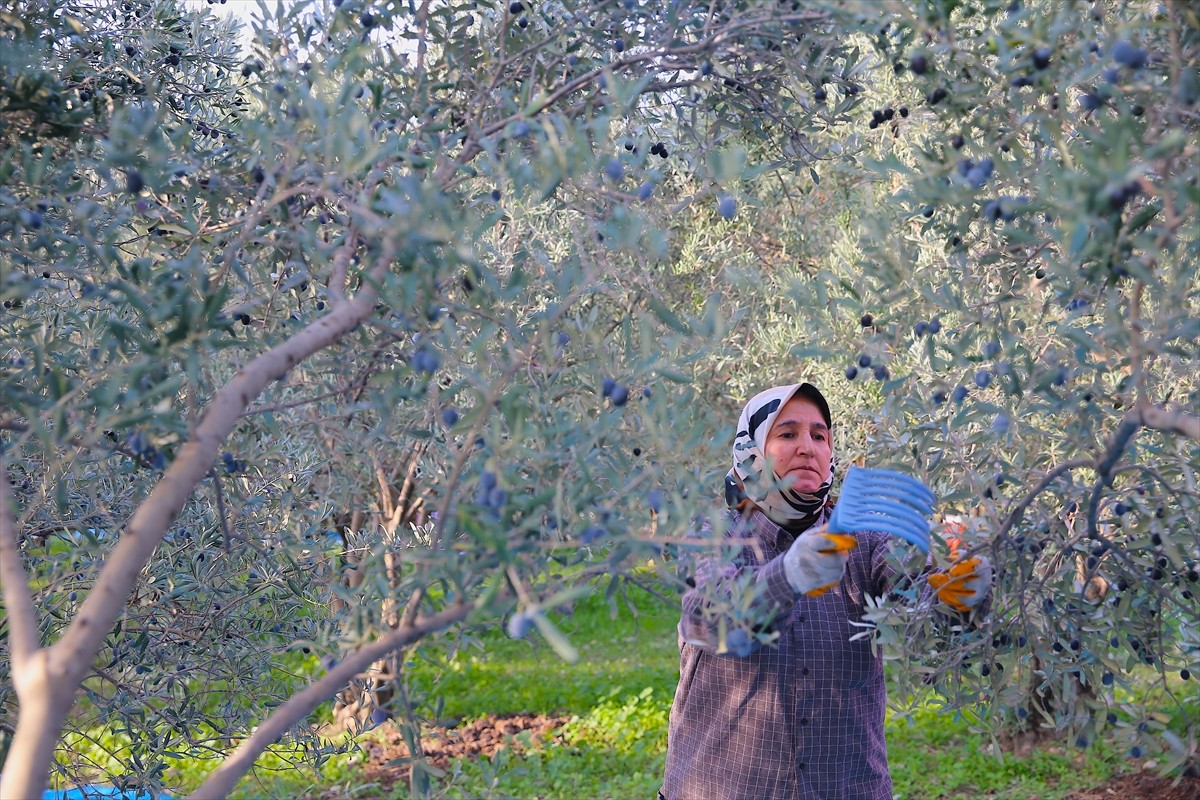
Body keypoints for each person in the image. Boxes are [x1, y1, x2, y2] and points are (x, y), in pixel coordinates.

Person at [659, 382, 991, 800]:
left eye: (819, 435)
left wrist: (957, 595)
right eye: (787, 434)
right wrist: (790, 575)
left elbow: (918, 609)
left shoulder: (866, 538)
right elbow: (708, 619)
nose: (807, 447)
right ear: (752, 451)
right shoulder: (714, 532)